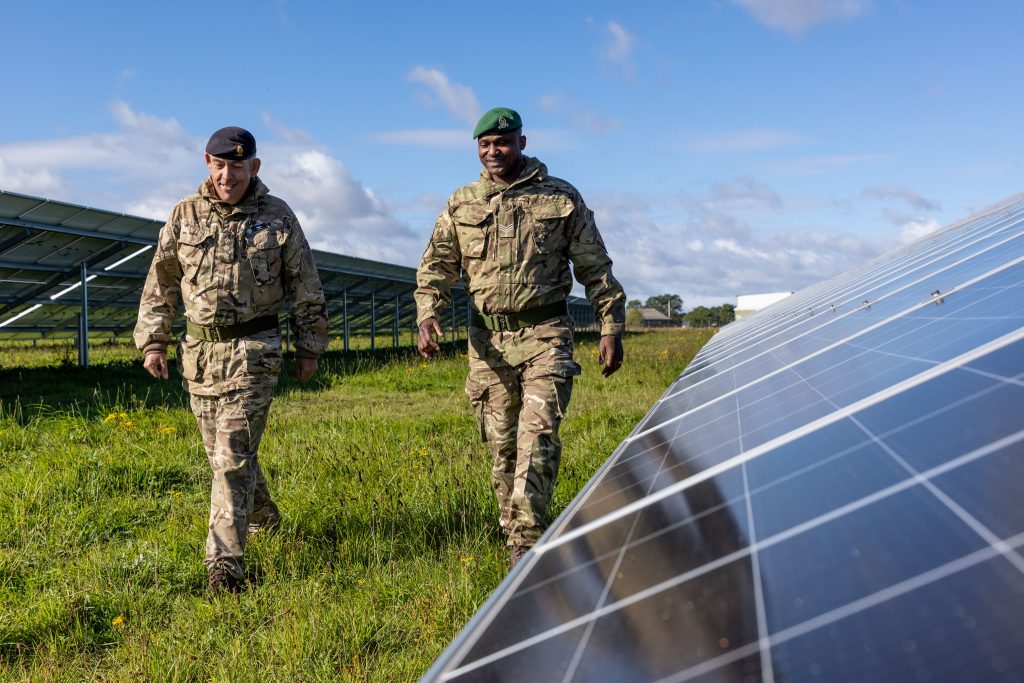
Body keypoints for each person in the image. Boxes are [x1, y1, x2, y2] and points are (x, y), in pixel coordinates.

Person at [414, 107, 626, 569]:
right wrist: (427, 315)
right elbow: (436, 268)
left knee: (538, 434)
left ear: (522, 143)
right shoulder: (462, 202)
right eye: (485, 145)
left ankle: (525, 545)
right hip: (487, 345)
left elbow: (594, 265)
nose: (494, 152)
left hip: (546, 335)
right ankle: (515, 528)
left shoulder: (560, 198)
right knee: (502, 446)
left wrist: (611, 325)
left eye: (503, 143)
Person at [134, 126, 328, 594]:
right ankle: (266, 519)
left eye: (237, 167)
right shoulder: (184, 215)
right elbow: (160, 282)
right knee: (222, 456)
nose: (227, 175)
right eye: (219, 166)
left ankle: (223, 567)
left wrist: (310, 347)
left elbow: (305, 284)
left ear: (254, 168)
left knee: (231, 457)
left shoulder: (277, 217)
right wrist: (153, 342)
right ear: (207, 163)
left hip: (254, 353)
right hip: (199, 356)